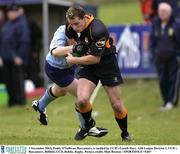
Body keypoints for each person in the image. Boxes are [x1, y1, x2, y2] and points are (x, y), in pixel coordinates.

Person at [65, 5, 132, 141]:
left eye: (77, 24)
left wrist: (75, 59)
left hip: (106, 64)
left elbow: (95, 59)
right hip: (88, 65)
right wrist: (76, 50)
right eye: (72, 24)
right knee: (81, 100)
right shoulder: (70, 27)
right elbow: (71, 42)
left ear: (84, 18)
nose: (75, 27)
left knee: (116, 105)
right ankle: (88, 125)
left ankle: (125, 133)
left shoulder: (98, 29)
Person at [32, 25, 108, 138]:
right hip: (56, 69)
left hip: (70, 66)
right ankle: (87, 127)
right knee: (81, 95)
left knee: (61, 91)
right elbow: (55, 52)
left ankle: (40, 105)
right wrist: (74, 48)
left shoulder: (86, 30)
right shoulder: (62, 31)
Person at [150, 3, 180, 110]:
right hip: (160, 58)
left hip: (173, 58)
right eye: (160, 11)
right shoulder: (156, 24)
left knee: (173, 80)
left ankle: (172, 101)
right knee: (162, 80)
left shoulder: (176, 25)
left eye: (164, 12)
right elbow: (152, 41)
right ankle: (166, 101)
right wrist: (153, 54)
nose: (162, 14)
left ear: (169, 13)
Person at [0, 4, 30, 107]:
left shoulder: (22, 23)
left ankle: (20, 101)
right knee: (8, 80)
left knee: (17, 80)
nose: (11, 14)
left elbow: (25, 41)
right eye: (9, 12)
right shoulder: (6, 24)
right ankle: (11, 101)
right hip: (5, 57)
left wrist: (20, 56)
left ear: (17, 12)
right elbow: (3, 41)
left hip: (16, 58)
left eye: (13, 12)